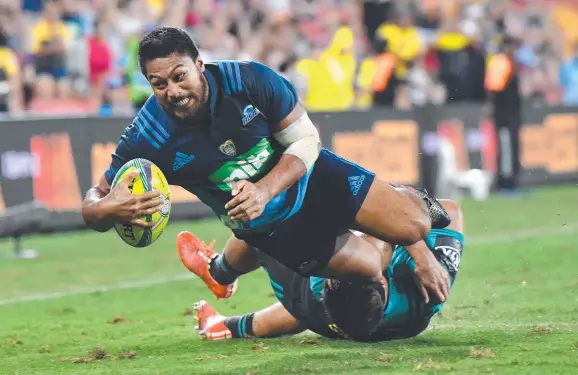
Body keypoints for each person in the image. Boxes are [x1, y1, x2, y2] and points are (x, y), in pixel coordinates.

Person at [81, 27, 451, 338]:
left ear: (199, 65)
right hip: (273, 227)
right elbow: (94, 200)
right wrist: (106, 208)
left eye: (180, 76)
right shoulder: (148, 136)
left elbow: (307, 141)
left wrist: (264, 189)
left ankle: (219, 271)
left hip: (314, 175)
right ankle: (220, 273)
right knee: (370, 267)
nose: (172, 91)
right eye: (158, 84)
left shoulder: (249, 80)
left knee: (415, 224)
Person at [182, 199, 464, 342]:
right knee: (387, 221)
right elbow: (449, 209)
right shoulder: (428, 292)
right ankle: (228, 326)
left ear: (327, 280)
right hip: (350, 323)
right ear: (383, 281)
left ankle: (219, 274)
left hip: (315, 311)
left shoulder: (321, 287)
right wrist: (425, 257)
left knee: (263, 223)